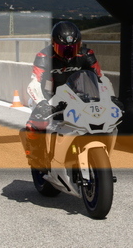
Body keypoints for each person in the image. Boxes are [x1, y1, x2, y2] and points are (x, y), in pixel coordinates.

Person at [21, 21, 105, 170]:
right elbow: (34, 83)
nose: (69, 53)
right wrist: (41, 103)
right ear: (54, 44)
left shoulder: (87, 54)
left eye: (73, 48)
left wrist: (109, 97)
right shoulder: (43, 56)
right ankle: (35, 156)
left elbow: (101, 79)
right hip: (50, 97)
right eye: (64, 49)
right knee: (35, 124)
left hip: (79, 95)